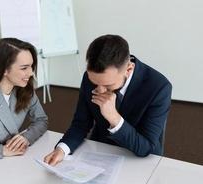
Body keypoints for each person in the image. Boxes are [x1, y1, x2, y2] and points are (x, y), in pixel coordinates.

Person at [44, 34, 172, 166]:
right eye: (94, 82)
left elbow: (146, 147)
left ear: (128, 69)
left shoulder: (159, 87)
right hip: (102, 150)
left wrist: (114, 118)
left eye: (108, 85)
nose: (99, 90)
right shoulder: (92, 77)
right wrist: (62, 149)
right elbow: (81, 123)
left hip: (142, 160)